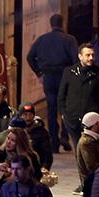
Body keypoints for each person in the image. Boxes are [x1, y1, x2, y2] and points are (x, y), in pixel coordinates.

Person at [27, 14, 80, 150]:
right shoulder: (69, 39)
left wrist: (39, 73)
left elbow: (30, 57)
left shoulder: (42, 40)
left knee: (51, 109)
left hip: (48, 77)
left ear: (51, 24)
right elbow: (75, 60)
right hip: (64, 76)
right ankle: (64, 136)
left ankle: (54, 142)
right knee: (66, 108)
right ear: (63, 24)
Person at [60, 43, 99, 151]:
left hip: (91, 119)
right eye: (88, 55)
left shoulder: (98, 73)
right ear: (80, 56)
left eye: (93, 55)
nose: (91, 58)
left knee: (91, 149)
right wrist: (63, 113)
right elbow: (62, 94)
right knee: (78, 149)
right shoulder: (69, 72)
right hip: (72, 118)